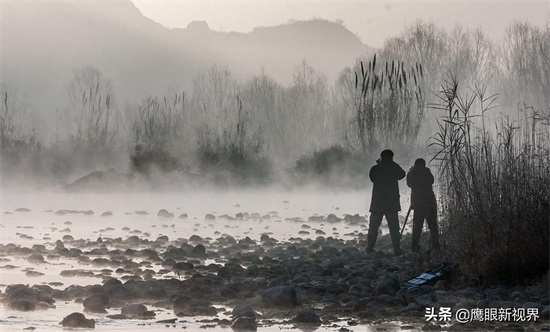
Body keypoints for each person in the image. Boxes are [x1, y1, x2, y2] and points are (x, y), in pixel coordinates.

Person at [366, 149, 406, 256]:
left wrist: (379, 164)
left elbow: (372, 178)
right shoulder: (394, 167)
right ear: (392, 157)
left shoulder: (376, 168)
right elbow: (402, 175)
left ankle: (369, 249)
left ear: (381, 157)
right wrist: (392, 164)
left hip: (377, 203)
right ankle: (396, 250)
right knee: (394, 228)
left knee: (373, 227)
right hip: (391, 203)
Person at [406, 158, 440, 252]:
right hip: (430, 203)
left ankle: (415, 247)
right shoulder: (427, 172)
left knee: (417, 227)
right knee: (433, 226)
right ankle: (436, 246)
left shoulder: (412, 173)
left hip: (418, 203)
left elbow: (409, 184)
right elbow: (432, 181)